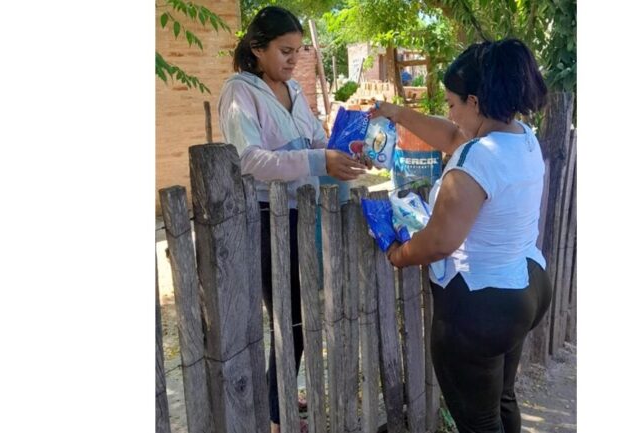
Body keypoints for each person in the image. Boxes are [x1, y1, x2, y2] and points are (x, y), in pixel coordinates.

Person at [370, 38, 553, 433]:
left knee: (478, 421)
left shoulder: (476, 159)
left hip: (481, 305)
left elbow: (440, 242)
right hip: (527, 286)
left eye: (452, 104)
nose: (449, 114)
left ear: (474, 102)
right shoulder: (521, 137)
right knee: (501, 399)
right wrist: (398, 114)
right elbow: (453, 138)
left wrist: (399, 255)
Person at [217, 6, 369, 433]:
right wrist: (320, 158)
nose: (292, 60)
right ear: (256, 48)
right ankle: (275, 414)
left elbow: (317, 140)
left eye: (298, 52)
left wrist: (348, 147)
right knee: (288, 317)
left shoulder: (294, 91)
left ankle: (278, 395)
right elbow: (249, 160)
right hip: (265, 217)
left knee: (299, 314)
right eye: (285, 51)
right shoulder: (239, 93)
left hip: (301, 215)